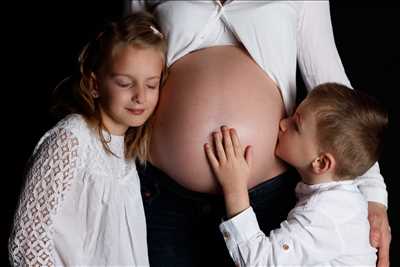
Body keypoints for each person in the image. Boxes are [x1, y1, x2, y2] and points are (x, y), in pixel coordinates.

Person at [129, 1, 391, 266]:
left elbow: (331, 85)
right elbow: (127, 64)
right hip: (166, 192)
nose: (283, 124)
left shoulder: (326, 214)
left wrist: (373, 192)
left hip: (265, 198)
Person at [8, 11, 166, 266]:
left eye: (151, 85)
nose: (140, 96)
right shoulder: (71, 138)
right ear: (94, 85)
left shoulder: (124, 153)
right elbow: (27, 241)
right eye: (125, 83)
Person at [205, 83, 388, 266]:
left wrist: (235, 188)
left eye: (296, 125)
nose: (283, 124)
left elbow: (261, 262)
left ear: (321, 163)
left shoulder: (324, 214)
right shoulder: (339, 199)